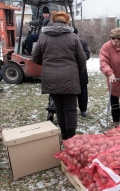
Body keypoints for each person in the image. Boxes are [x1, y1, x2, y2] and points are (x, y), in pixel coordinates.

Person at [32, 11, 87, 140]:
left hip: (50, 78)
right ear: (67, 22)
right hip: (70, 78)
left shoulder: (43, 36)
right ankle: (71, 138)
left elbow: (35, 57)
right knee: (70, 109)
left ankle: (64, 136)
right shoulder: (72, 37)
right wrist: (77, 72)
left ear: (53, 20)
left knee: (59, 107)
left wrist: (48, 65)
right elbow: (82, 58)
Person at [100, 28, 120, 128]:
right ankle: (116, 122)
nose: (118, 44)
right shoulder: (106, 47)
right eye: (115, 42)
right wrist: (109, 73)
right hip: (114, 78)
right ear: (112, 39)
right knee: (114, 101)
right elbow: (103, 62)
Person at [73, 28, 90, 117]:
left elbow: (87, 55)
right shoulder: (66, 44)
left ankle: (83, 109)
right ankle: (72, 109)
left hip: (81, 71)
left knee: (83, 92)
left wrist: (80, 56)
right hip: (70, 72)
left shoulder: (82, 43)